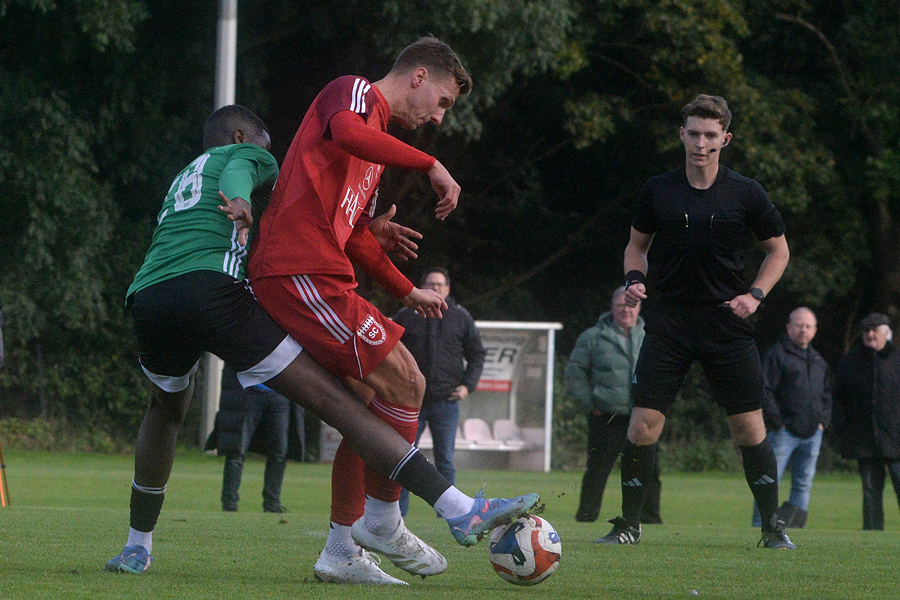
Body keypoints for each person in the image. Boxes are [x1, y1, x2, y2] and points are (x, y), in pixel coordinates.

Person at [104, 104, 539, 580]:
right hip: (215, 294)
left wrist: (358, 235)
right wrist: (243, 199)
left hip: (150, 299)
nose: (270, 164)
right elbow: (240, 171)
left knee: (165, 412)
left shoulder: (185, 177)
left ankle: (136, 547)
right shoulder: (246, 156)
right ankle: (457, 507)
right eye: (264, 150)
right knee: (346, 404)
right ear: (241, 136)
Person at [249, 36, 517, 585]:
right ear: (418, 76)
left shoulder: (373, 160)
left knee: (369, 404)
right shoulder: (352, 93)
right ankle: (385, 520)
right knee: (408, 380)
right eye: (442, 102)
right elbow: (348, 132)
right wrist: (431, 164)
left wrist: (406, 289)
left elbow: (354, 239)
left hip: (321, 271)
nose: (439, 117)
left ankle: (340, 550)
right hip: (296, 269)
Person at [596, 94, 794, 549]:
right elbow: (636, 246)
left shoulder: (746, 192)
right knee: (643, 425)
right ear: (681, 135)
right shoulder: (658, 190)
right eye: (693, 134)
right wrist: (633, 280)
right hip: (670, 321)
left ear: (726, 139)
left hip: (727, 323)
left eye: (710, 135)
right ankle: (629, 525)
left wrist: (755, 296)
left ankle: (772, 529)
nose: (701, 143)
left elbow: (779, 251)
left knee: (749, 429)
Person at [566, 287, 662, 525]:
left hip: (643, 416)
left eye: (630, 305)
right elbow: (575, 373)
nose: (625, 310)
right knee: (597, 470)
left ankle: (650, 519)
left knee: (650, 470)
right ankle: (586, 518)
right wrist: (590, 404)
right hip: (606, 415)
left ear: (639, 308)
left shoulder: (652, 335)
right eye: (620, 305)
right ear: (612, 307)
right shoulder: (592, 337)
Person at [395, 267, 486, 517]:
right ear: (422, 287)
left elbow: (477, 354)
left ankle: (449, 514)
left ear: (447, 288)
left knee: (445, 460)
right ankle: (397, 514)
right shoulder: (406, 315)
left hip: (446, 401)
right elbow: (390, 351)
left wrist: (467, 386)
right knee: (403, 457)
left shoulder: (460, 317)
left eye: (440, 285)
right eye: (431, 284)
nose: (435, 288)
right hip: (411, 402)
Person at [751, 307, 831, 528]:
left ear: (814, 330)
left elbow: (826, 394)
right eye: (799, 325)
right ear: (789, 328)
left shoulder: (818, 360)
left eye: (808, 326)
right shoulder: (777, 355)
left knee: (803, 484)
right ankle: (760, 526)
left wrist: (822, 422)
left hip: (813, 432)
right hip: (783, 432)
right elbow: (765, 389)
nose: (803, 330)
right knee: (769, 481)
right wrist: (778, 422)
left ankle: (797, 527)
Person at [833, 312, 900, 531]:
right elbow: (838, 398)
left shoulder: (897, 359)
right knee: (870, 491)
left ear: (886, 333)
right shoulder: (850, 361)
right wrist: (841, 429)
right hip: (864, 439)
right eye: (866, 331)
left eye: (875, 330)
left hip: (896, 438)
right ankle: (872, 533)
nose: (870, 334)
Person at [209, 364, 304, 513]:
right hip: (248, 392)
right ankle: (229, 504)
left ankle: (272, 504)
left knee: (280, 451)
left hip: (280, 394)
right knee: (236, 450)